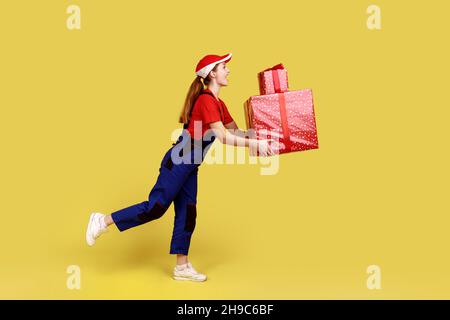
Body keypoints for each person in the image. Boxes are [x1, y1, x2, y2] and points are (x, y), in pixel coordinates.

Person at [85, 52, 274, 282]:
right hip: (178, 161)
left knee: (187, 213)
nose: (228, 70)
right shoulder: (205, 100)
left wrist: (268, 137)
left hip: (190, 166)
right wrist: (255, 143)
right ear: (212, 73)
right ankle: (102, 221)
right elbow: (224, 137)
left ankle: (182, 267)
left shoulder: (219, 103)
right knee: (155, 208)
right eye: (224, 67)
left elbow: (238, 133)